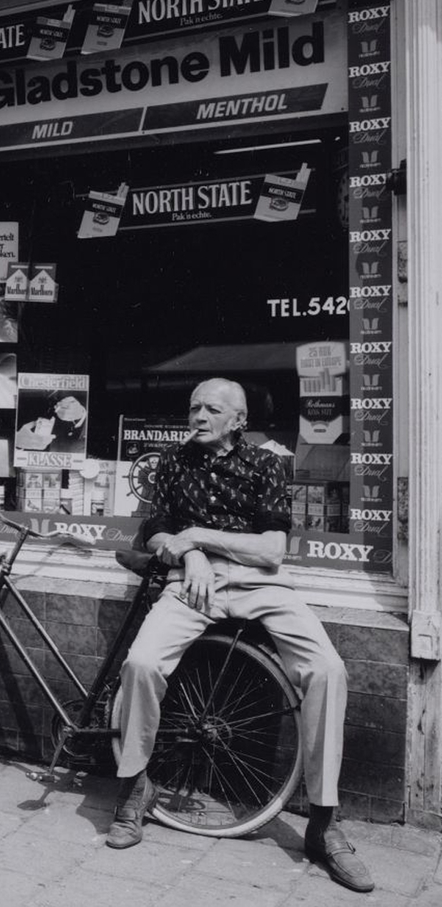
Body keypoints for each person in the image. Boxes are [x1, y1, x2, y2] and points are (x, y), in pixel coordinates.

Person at [108, 378, 373, 895]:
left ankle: (323, 822)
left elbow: (272, 548)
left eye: (212, 409)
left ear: (238, 421)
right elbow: (157, 532)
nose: (198, 416)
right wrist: (188, 554)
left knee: (327, 670)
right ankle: (135, 788)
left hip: (261, 584)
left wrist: (202, 537)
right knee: (140, 664)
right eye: (194, 408)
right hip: (192, 585)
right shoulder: (172, 462)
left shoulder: (267, 465)